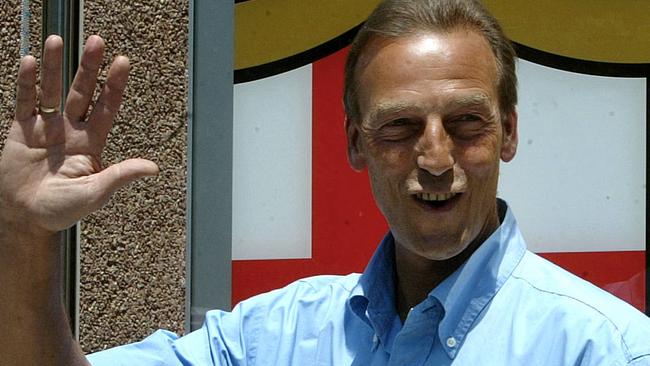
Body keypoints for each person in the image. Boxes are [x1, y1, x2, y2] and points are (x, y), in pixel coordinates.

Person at [1, 0, 649, 365]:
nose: (434, 155)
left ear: (509, 132)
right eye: (398, 127)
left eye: (465, 122)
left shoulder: (605, 350)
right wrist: (25, 232)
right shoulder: (270, 340)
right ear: (353, 143)